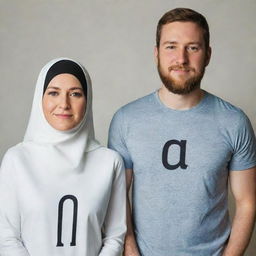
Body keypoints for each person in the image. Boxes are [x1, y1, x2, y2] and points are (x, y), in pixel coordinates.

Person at [108, 8, 256, 256]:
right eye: (171, 46)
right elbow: (117, 198)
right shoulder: (126, 120)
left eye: (193, 48)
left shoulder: (234, 122)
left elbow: (247, 203)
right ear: (156, 54)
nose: (181, 58)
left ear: (208, 55)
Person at [0, 58, 126, 256]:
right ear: (40, 98)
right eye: (53, 93)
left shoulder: (109, 162)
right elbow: (7, 237)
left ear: (88, 99)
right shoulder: (17, 159)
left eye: (75, 94)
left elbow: (115, 237)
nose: (64, 104)